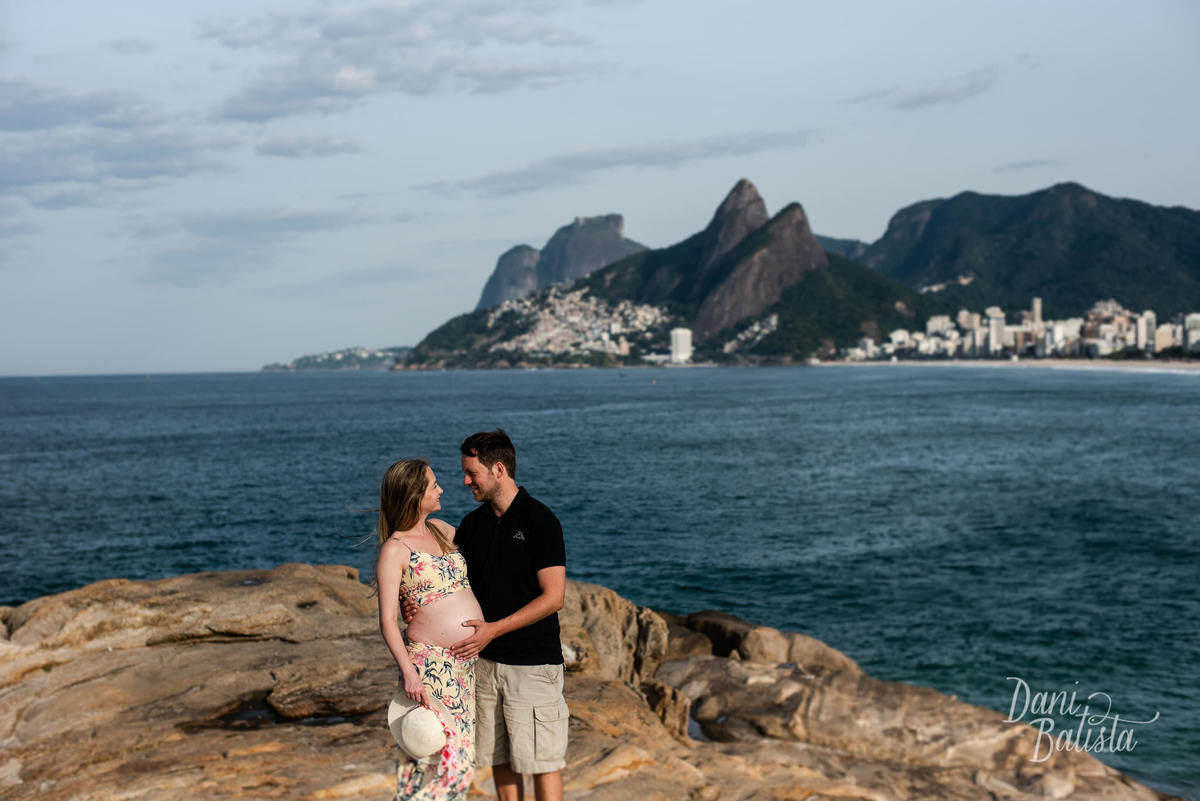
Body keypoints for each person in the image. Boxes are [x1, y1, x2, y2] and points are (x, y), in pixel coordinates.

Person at [403, 429, 568, 801]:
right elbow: (452, 585)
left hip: (532, 664)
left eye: (471, 473)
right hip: (482, 664)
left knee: (543, 761)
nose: (464, 481)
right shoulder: (473, 525)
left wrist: (494, 629)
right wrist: (413, 604)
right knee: (499, 758)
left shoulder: (541, 521)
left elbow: (554, 597)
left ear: (498, 470)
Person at [376, 458, 483, 801]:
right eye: (433, 485)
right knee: (440, 762)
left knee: (452, 759)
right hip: (430, 665)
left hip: (464, 666)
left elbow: (487, 550)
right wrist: (409, 673)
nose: (441, 489)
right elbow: (388, 620)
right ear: (413, 494)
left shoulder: (441, 528)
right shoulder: (395, 549)